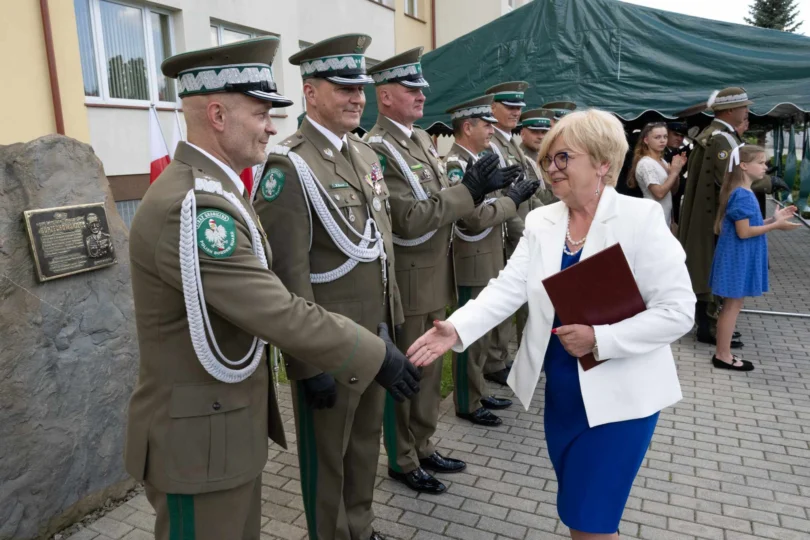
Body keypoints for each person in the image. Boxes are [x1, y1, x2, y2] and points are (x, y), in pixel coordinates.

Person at [124, 37, 419, 540]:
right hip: (198, 442)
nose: (272, 126)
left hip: (221, 431)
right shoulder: (194, 207)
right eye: (261, 113)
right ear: (218, 115)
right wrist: (375, 355)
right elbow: (276, 308)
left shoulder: (220, 190)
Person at [407, 109, 696, 540]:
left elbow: (679, 310)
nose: (551, 168)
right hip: (563, 393)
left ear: (602, 163)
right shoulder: (543, 221)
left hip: (622, 400)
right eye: (547, 159)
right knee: (580, 516)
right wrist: (458, 327)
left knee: (592, 520)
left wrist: (601, 338)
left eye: (564, 158)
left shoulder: (640, 219)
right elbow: (509, 286)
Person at [252, 34, 409, 540]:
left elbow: (380, 248)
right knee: (327, 457)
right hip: (329, 344)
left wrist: (389, 323)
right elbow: (288, 273)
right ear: (310, 92)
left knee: (364, 443)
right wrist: (307, 363)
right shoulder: (289, 163)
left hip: (374, 335)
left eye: (360, 88)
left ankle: (359, 528)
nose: (357, 98)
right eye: (344, 88)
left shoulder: (363, 154)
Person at [365, 48, 519, 494]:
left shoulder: (417, 140)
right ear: (385, 96)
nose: (421, 96)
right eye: (410, 89)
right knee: (409, 373)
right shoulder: (378, 149)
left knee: (430, 375)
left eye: (421, 89)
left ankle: (424, 444)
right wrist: (468, 192)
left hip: (436, 275)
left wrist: (474, 192)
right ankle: (403, 458)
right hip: (410, 281)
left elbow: (441, 205)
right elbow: (409, 219)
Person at [444, 95, 539, 427]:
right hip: (472, 258)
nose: (491, 130)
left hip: (490, 253)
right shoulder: (456, 164)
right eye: (486, 125)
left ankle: (478, 390)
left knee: (483, 332)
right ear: (467, 127)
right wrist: (511, 202)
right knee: (470, 334)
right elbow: (472, 218)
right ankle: (466, 401)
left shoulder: (480, 159)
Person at [678, 87, 781, 348]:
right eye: (744, 107)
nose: (747, 111)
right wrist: (768, 182)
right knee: (711, 269)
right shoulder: (721, 139)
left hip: (713, 215)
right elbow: (730, 177)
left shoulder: (719, 135)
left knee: (708, 268)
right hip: (714, 217)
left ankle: (710, 324)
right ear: (730, 110)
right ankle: (710, 327)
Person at [710, 145, 800, 371]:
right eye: (760, 163)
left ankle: (723, 353)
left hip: (738, 257)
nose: (765, 167)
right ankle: (723, 355)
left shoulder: (742, 192)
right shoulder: (742, 194)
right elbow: (744, 232)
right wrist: (776, 226)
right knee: (731, 306)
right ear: (744, 165)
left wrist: (774, 219)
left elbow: (750, 225)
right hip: (738, 258)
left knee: (733, 305)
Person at [481, 81, 532, 386]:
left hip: (518, 227)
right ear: (492, 108)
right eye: (509, 107)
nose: (515, 112)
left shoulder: (509, 143)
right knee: (503, 297)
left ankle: (499, 356)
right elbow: (502, 196)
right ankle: (494, 360)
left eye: (518, 108)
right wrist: (523, 234)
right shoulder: (493, 146)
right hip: (506, 232)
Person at [627, 122, 687, 228]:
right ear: (646, 140)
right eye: (657, 137)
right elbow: (659, 193)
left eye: (665, 137)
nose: (662, 140)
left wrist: (676, 171)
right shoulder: (646, 163)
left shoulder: (663, 161)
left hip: (665, 217)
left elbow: (672, 191)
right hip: (652, 218)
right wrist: (673, 173)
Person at [519, 109, 558, 205]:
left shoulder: (546, 155)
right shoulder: (522, 158)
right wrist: (568, 188)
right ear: (522, 134)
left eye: (544, 132)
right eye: (535, 132)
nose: (540, 137)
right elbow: (540, 197)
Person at [663, 122, 692, 228]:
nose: (679, 139)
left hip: (674, 206)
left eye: (682, 136)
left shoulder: (676, 153)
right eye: (675, 134)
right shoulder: (662, 154)